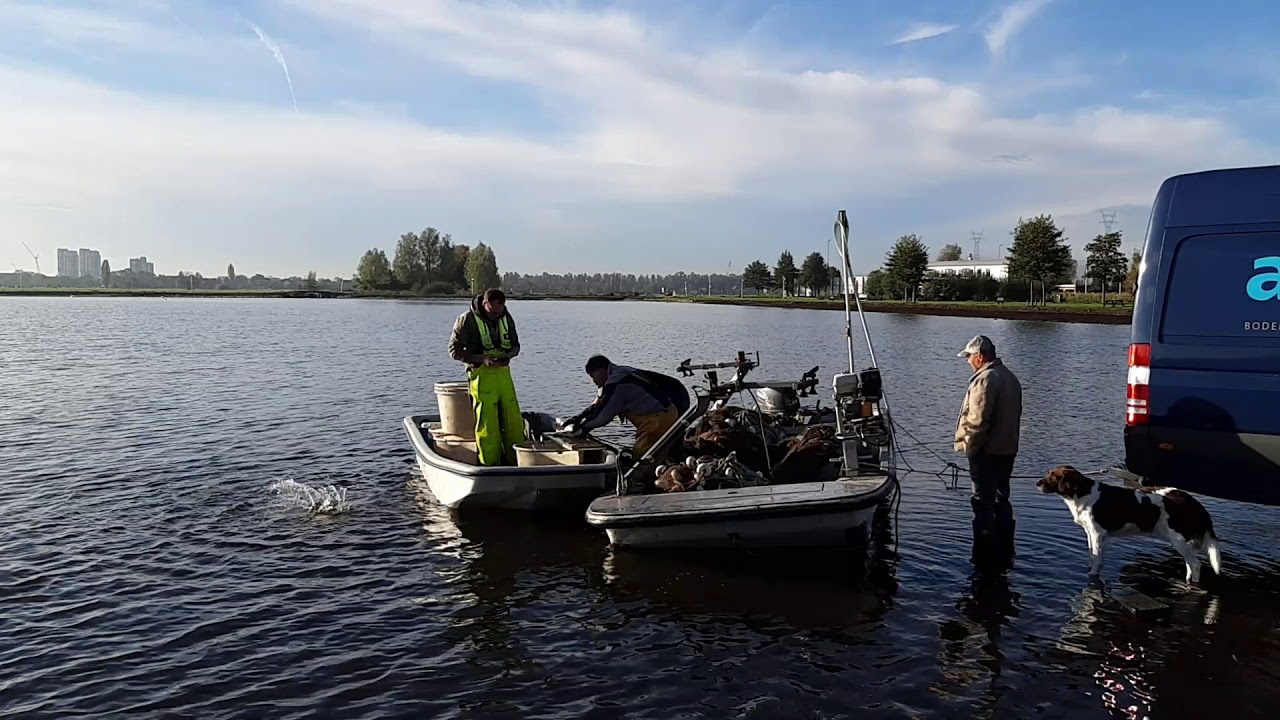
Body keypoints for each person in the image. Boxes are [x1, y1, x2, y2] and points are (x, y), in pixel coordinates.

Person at [954, 334, 1023, 542]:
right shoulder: (1009, 376)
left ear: (980, 356)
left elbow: (977, 421)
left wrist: (970, 449)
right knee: (1001, 500)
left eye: (969, 356)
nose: (967, 361)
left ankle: (984, 553)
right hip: (1008, 450)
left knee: (983, 503)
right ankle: (1004, 549)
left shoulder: (986, 379)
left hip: (987, 452)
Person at [448, 288, 525, 465]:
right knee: (487, 424)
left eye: (499, 312)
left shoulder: (506, 317)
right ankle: (489, 465)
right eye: (492, 312)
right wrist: (482, 359)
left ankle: (516, 462)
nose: (496, 316)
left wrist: (509, 356)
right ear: (485, 303)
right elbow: (454, 351)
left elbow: (516, 345)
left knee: (513, 421)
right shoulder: (466, 320)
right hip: (481, 376)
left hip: (504, 376)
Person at [562, 355, 688, 459]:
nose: (594, 381)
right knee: (663, 451)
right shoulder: (619, 373)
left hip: (658, 418)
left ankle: (645, 484)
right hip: (666, 411)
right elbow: (598, 405)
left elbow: (604, 416)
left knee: (641, 456)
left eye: (593, 376)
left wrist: (582, 428)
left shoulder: (616, 384)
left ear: (600, 371)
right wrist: (578, 418)